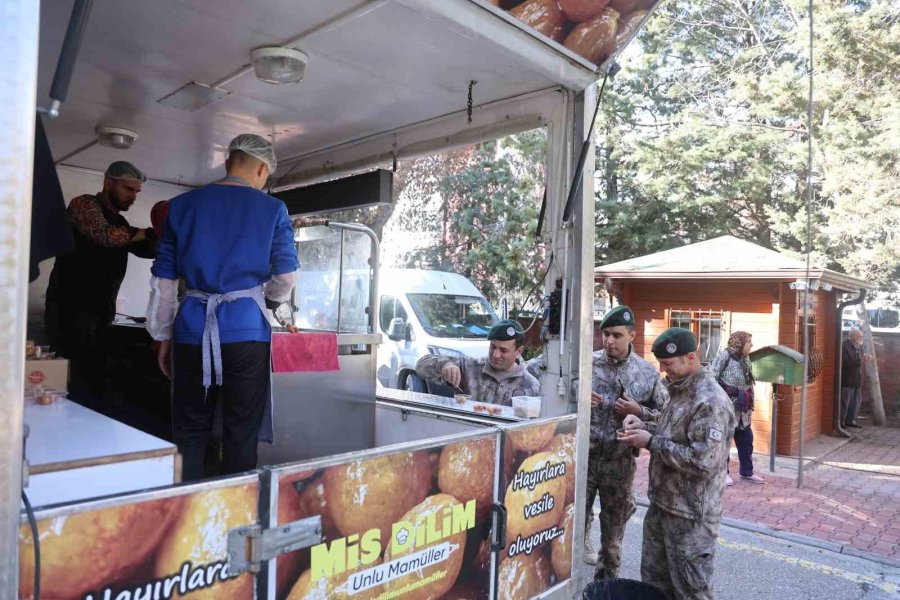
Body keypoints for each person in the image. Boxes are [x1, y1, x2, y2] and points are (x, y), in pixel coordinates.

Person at [147, 134, 299, 481]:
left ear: (230, 161)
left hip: (190, 331)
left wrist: (162, 334)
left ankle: (188, 510)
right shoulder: (272, 209)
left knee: (189, 431)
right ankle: (236, 516)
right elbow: (286, 277)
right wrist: (268, 302)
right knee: (240, 431)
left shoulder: (182, 207)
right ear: (262, 168)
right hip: (246, 335)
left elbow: (164, 282)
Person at [619, 328, 736, 600]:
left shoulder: (710, 400)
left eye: (668, 363)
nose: (663, 369)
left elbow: (703, 460)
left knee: (691, 591)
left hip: (690, 518)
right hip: (663, 506)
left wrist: (649, 442)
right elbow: (671, 428)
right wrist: (643, 424)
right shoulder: (679, 388)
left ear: (691, 358)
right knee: (655, 587)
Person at [45, 161, 157, 398]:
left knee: (94, 379)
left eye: (136, 192)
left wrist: (169, 241)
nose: (133, 197)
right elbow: (104, 235)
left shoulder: (122, 224)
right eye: (128, 189)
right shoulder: (84, 205)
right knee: (69, 380)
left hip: (101, 312)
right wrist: (148, 233)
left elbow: (144, 248)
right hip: (70, 308)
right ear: (108, 183)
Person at [586, 305, 667, 579]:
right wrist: (577, 396)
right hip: (582, 459)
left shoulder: (646, 373)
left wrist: (639, 412)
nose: (609, 340)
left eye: (616, 335)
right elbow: (537, 375)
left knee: (612, 534)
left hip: (618, 464)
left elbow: (668, 417)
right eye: (606, 334)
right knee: (569, 527)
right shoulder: (586, 363)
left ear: (631, 335)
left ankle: (605, 587)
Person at [415, 319, 539, 406]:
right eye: (493, 347)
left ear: (519, 351)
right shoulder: (469, 368)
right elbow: (420, 365)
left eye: (503, 350)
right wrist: (444, 365)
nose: (495, 354)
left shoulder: (530, 386)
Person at [712, 331, 764, 485]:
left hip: (744, 410)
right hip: (727, 409)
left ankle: (747, 472)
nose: (751, 345)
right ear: (739, 343)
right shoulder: (724, 357)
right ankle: (723, 473)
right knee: (725, 442)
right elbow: (711, 378)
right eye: (749, 342)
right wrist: (731, 391)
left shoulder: (745, 359)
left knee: (747, 441)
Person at [841, 328, 872, 428]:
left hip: (856, 379)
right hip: (847, 379)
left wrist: (865, 357)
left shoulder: (858, 346)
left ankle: (851, 421)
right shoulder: (844, 346)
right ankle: (841, 422)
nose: (861, 338)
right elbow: (844, 363)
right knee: (845, 402)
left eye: (861, 336)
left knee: (856, 402)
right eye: (859, 336)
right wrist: (861, 360)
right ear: (852, 336)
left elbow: (859, 360)